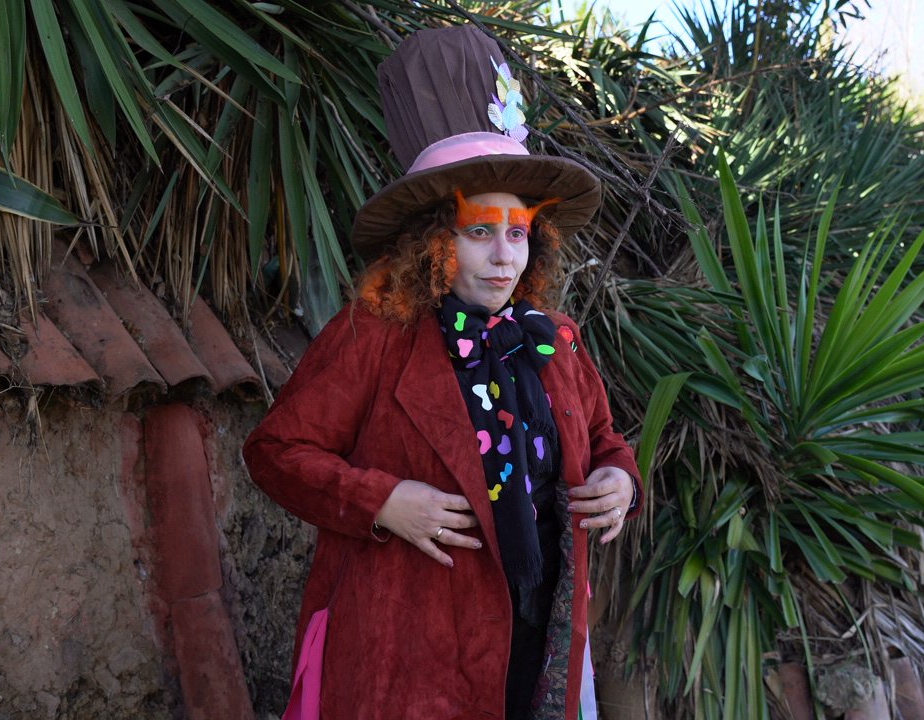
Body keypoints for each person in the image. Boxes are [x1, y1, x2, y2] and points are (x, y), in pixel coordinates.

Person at [244, 24, 643, 720]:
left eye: (517, 233)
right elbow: (276, 452)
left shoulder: (555, 341)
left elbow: (606, 442)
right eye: (479, 231)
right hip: (410, 647)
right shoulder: (375, 334)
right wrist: (382, 501)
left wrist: (620, 481)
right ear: (434, 239)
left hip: (539, 636)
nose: (503, 256)